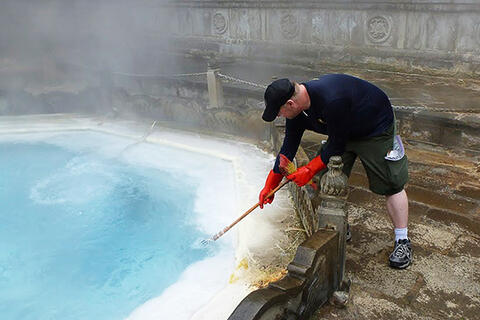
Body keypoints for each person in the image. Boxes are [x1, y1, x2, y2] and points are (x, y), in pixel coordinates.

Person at [258, 74, 412, 269]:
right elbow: (287, 149)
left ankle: (402, 240)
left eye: (278, 112)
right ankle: (340, 227)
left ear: (290, 103)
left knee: (391, 182)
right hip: (341, 131)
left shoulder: (332, 99)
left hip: (374, 129)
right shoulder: (297, 113)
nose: (279, 116)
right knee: (324, 181)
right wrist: (269, 185)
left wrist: (307, 169)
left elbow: (337, 145)